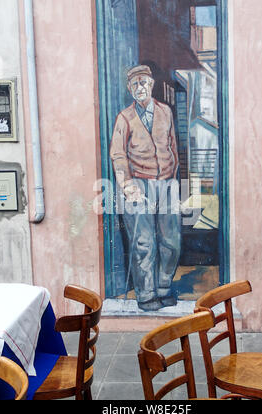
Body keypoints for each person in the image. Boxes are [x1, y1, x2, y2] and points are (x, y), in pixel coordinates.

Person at [110, 65, 181, 311]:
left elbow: (172, 145)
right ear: (130, 89)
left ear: (151, 85)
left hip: (167, 183)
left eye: (143, 83)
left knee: (171, 240)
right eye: (134, 84)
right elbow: (118, 154)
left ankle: (163, 288)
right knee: (143, 243)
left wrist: (174, 178)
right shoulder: (124, 118)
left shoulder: (166, 112)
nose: (139, 88)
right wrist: (127, 185)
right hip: (138, 183)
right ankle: (146, 293)